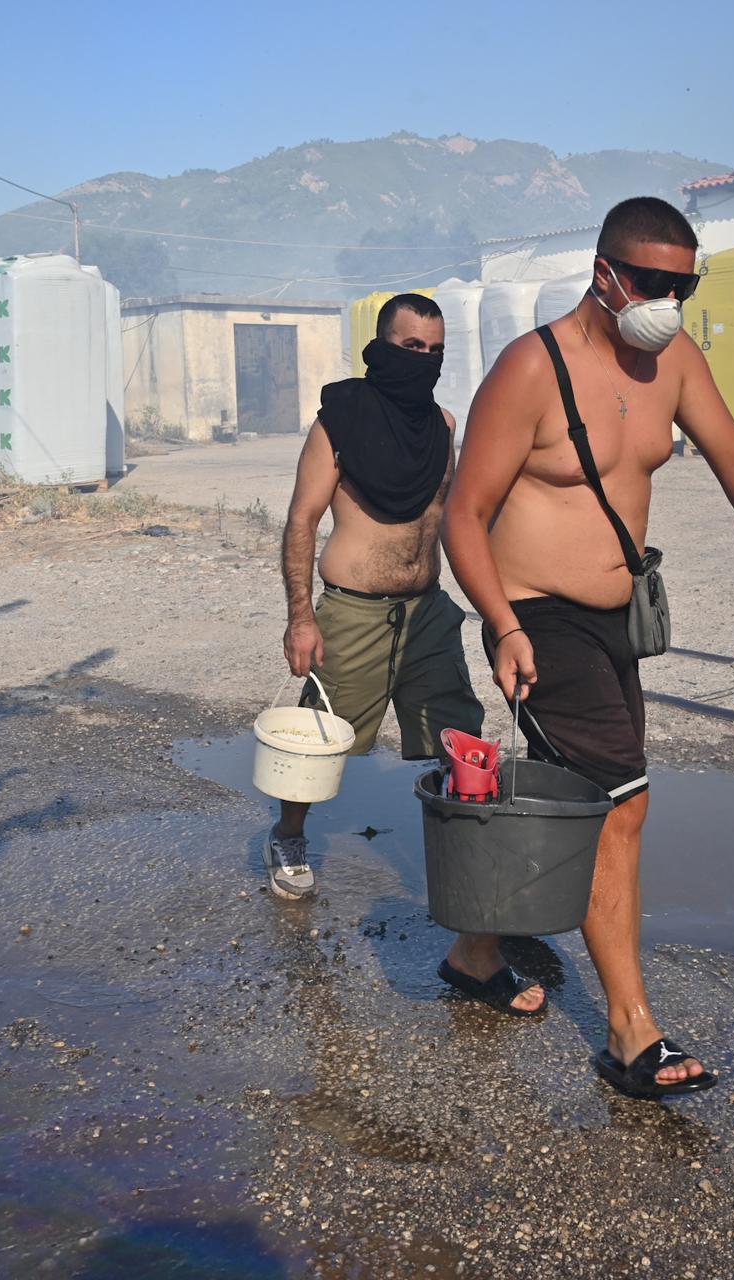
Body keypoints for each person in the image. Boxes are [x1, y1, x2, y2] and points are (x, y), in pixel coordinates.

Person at [442, 198, 734, 1098]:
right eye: (654, 282)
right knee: (622, 805)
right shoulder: (530, 368)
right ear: (605, 275)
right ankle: (630, 1030)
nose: (670, 301)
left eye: (686, 283)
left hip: (617, 619)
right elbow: (464, 514)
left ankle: (476, 950)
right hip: (541, 614)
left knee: (581, 795)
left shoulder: (674, 359)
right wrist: (504, 624)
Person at [274, 292, 547, 1016]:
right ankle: (289, 837)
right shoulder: (339, 424)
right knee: (318, 745)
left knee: (463, 748)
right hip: (354, 612)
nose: (421, 362)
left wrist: (500, 613)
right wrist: (302, 616)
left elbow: (458, 524)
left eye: (434, 351)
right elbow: (302, 521)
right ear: (380, 347)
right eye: (409, 348)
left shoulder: (443, 427)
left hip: (427, 614)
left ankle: (478, 905)